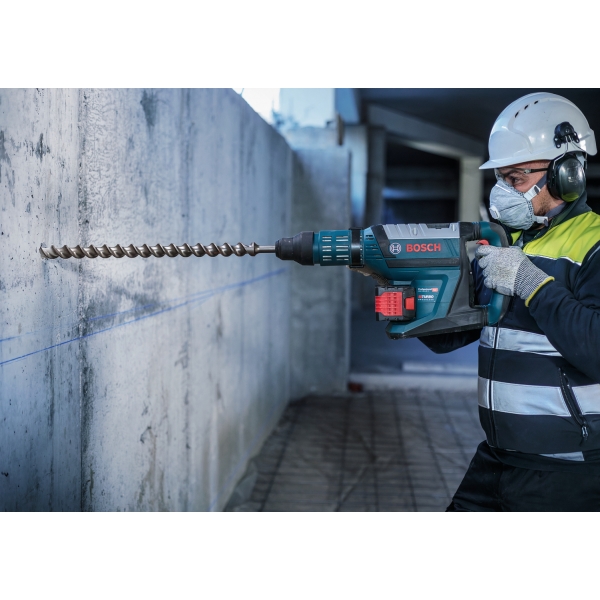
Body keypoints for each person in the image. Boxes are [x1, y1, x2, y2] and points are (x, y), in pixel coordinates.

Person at [421, 92, 600, 511]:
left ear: (567, 174)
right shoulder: (508, 245)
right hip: (498, 458)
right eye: (501, 179)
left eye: (516, 178)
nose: (503, 192)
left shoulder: (593, 245)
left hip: (568, 470)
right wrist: (407, 292)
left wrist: (530, 283)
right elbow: (451, 334)